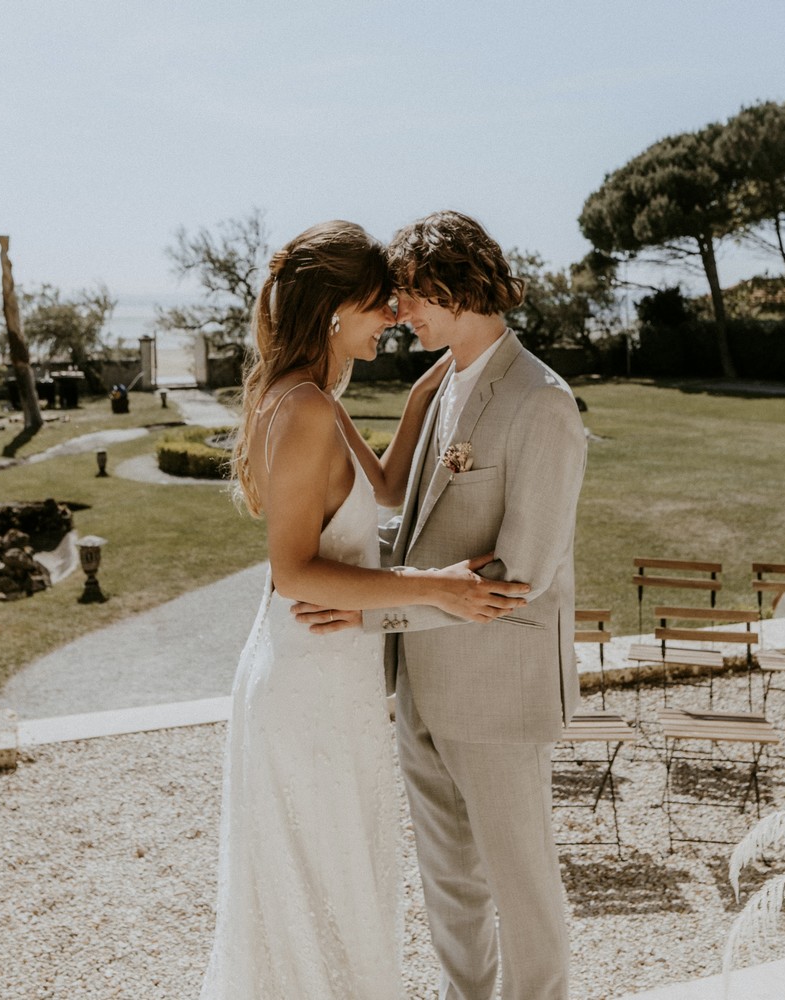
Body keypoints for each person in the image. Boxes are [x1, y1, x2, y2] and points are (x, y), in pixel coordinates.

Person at [199, 220, 530, 1000]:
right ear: (336, 309)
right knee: (323, 876)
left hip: (330, 676)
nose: (392, 316)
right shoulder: (303, 408)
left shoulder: (314, 395)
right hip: (306, 681)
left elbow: (381, 487)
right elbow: (292, 572)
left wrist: (439, 381)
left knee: (341, 871)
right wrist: (435, 587)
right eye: (380, 303)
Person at [293, 211, 587, 1000]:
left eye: (411, 298)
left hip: (498, 687)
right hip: (422, 682)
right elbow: (406, 514)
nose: (399, 315)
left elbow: (518, 571)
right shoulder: (448, 381)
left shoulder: (541, 402)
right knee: (450, 886)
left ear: (455, 287)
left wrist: (371, 613)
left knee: (520, 886)